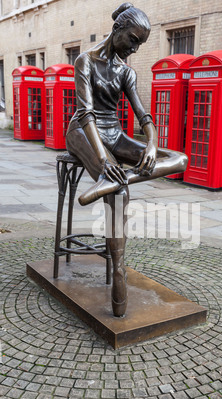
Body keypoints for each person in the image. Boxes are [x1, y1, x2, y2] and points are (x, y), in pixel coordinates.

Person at [66, 3, 188, 317]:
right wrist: (104, 158)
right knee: (118, 192)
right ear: (118, 29)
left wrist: (151, 144)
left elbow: (143, 114)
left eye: (140, 44)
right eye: (133, 40)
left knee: (181, 159)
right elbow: (86, 113)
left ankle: (116, 179)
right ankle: (118, 269)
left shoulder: (126, 71)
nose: (134, 48)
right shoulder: (85, 61)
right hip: (83, 131)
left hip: (115, 132)